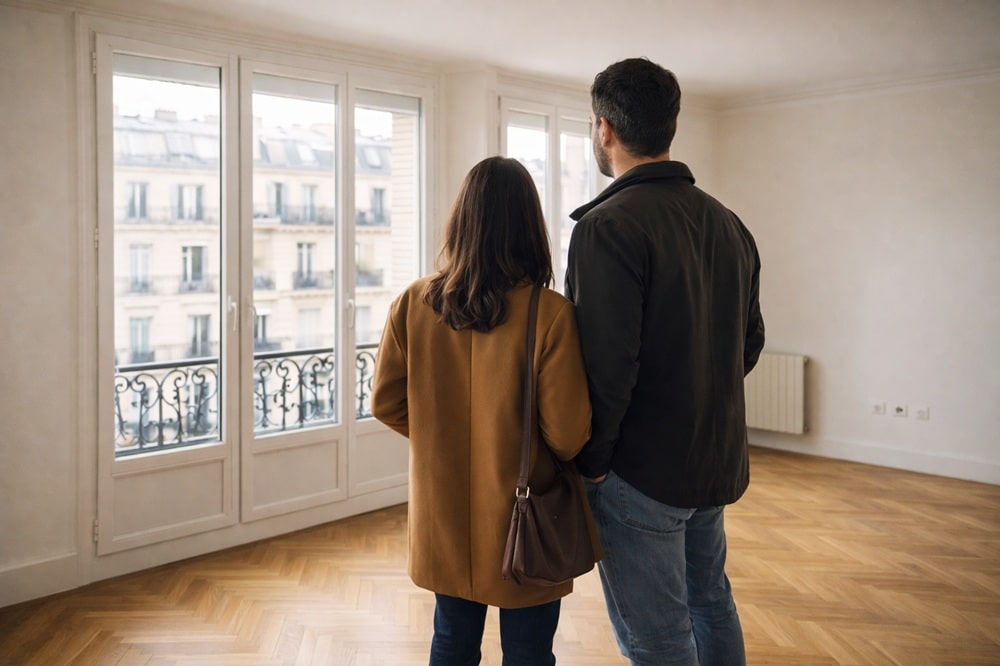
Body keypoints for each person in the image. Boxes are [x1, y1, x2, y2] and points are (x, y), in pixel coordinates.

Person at [565, 57, 765, 666]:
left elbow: (607, 368)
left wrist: (592, 463)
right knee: (711, 602)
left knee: (657, 641)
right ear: (671, 127)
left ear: (604, 129)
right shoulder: (729, 223)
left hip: (640, 472)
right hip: (713, 459)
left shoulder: (605, 227)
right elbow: (749, 343)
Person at [371, 156, 595, 665]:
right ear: (530, 228)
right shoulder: (550, 314)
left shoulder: (412, 303)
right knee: (528, 652)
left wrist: (439, 435)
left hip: (443, 515)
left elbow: (385, 401)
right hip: (525, 518)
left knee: (451, 642)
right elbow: (566, 436)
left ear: (461, 221)